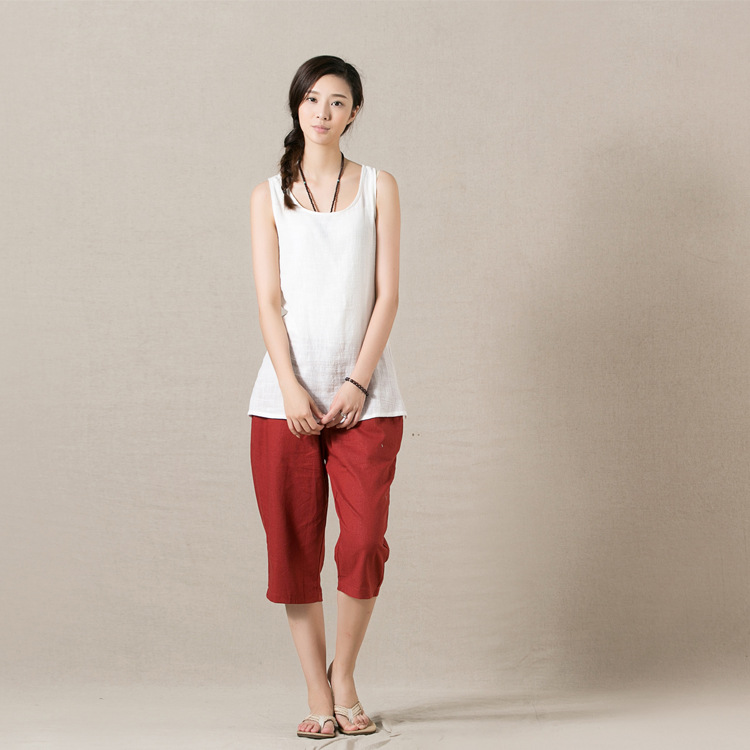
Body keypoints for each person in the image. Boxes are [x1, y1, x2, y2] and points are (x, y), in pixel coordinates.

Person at [246, 55, 407, 739]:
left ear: (354, 113)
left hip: (366, 398)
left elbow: (387, 294)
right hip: (283, 400)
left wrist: (357, 381)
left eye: (336, 101)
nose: (322, 112)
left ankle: (345, 674)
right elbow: (268, 300)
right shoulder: (267, 196)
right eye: (312, 99)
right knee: (292, 546)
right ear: (297, 107)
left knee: (364, 542)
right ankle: (318, 689)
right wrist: (290, 387)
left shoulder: (379, 187)